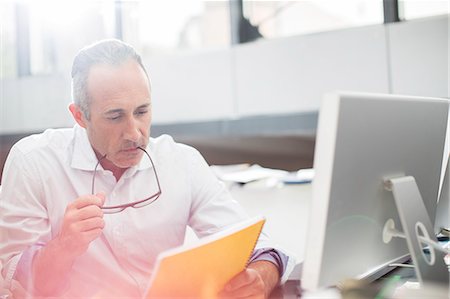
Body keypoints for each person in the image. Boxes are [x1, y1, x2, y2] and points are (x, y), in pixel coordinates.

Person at [0, 39, 294, 298]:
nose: (134, 132)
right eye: (115, 117)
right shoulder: (33, 163)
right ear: (79, 116)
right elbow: (15, 286)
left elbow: (259, 246)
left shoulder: (182, 162)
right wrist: (65, 246)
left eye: (142, 111)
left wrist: (261, 278)